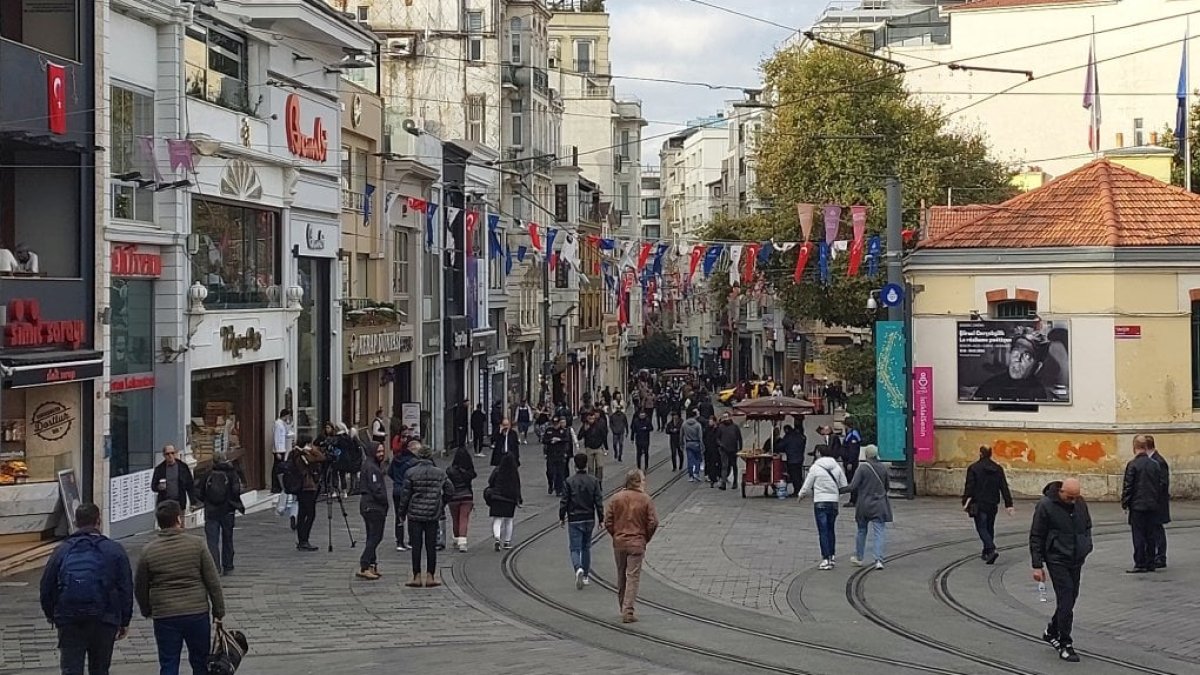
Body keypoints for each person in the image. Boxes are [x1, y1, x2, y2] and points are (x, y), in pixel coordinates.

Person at [40, 503, 133, 675]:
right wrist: (124, 620)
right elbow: (125, 588)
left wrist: (52, 615)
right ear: (99, 521)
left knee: (71, 669)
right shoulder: (114, 550)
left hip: (69, 618)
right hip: (104, 618)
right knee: (99, 668)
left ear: (76, 523)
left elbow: (46, 586)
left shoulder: (62, 550)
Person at [134, 500, 225, 675]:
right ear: (178, 519)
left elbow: (140, 586)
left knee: (168, 662)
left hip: (165, 614)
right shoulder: (197, 544)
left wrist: (147, 610)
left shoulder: (148, 551)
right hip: (196, 612)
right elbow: (212, 581)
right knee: (200, 661)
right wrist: (218, 611)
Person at [1030, 478, 1092, 663]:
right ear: (1061, 492)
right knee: (1065, 599)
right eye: (1070, 497)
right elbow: (1036, 535)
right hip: (1056, 558)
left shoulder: (1080, 503)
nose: (1073, 501)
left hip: (1076, 557)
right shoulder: (1045, 506)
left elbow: (1086, 525)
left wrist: (1086, 544)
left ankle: (1051, 630)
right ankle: (1065, 643)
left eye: (1076, 497)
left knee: (1071, 597)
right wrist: (1037, 565)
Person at [604, 469, 659, 623]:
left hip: (620, 542)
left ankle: (623, 606)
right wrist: (645, 537)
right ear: (637, 482)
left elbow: (608, 521)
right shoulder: (645, 499)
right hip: (637, 542)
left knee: (621, 575)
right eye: (643, 479)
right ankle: (628, 611)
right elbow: (653, 522)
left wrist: (616, 535)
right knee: (633, 577)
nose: (644, 482)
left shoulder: (616, 498)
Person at [395, 444, 454, 588]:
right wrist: (441, 503)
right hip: (433, 513)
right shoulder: (439, 473)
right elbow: (450, 490)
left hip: (415, 514)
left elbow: (405, 495)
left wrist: (401, 513)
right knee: (430, 546)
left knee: (416, 546)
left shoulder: (411, 473)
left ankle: (416, 576)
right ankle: (430, 576)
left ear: (418, 456)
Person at [796, 445, 848, 570]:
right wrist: (836, 494)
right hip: (833, 502)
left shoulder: (815, 468)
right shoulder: (837, 467)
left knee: (823, 531)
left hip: (820, 501)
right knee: (831, 529)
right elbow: (844, 485)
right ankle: (832, 555)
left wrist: (801, 495)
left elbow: (807, 485)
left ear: (818, 453)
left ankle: (826, 558)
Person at [841, 445, 892, 570]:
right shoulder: (883, 468)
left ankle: (859, 557)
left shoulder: (862, 468)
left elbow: (853, 486)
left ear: (866, 455)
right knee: (879, 532)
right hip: (879, 504)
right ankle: (878, 560)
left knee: (861, 531)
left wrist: (839, 490)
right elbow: (887, 487)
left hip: (864, 504)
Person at [962, 445, 1015, 564]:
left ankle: (990, 549)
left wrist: (965, 502)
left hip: (978, 503)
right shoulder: (997, 468)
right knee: (989, 527)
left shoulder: (974, 468)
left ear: (980, 453)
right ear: (991, 454)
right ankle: (986, 552)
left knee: (981, 527)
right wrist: (1008, 504)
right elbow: (1004, 487)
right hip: (992, 503)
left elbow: (969, 487)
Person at [560, 453, 605, 590]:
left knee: (574, 548)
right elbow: (598, 501)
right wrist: (601, 518)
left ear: (574, 465)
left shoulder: (569, 481)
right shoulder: (594, 481)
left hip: (574, 518)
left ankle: (578, 568)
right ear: (586, 464)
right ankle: (585, 576)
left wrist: (562, 516)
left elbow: (564, 501)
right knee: (586, 547)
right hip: (589, 517)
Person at [1121, 435, 1164, 574]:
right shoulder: (1155, 464)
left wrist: (1125, 503)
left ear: (1134, 447)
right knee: (1150, 535)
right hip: (1152, 505)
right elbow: (1160, 485)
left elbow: (1128, 486)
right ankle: (1151, 562)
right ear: (1146, 447)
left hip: (1137, 506)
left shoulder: (1132, 465)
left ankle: (1140, 562)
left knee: (1138, 534)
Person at [197, 451, 244, 576]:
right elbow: (236, 491)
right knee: (227, 538)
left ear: (214, 461)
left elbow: (199, 493)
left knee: (212, 541)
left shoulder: (207, 474)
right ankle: (228, 565)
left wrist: (208, 501)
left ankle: (215, 567)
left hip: (211, 512)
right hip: (227, 511)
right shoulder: (232, 473)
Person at [972, 330, 1053, 402]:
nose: (1017, 359)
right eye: (1015, 351)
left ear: (1038, 367)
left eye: (1026, 355)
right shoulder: (990, 386)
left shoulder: (1039, 393)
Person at [356, 441, 389, 580]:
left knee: (372, 536)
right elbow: (376, 489)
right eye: (378, 451)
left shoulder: (372, 465)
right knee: (376, 536)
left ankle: (372, 564)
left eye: (382, 451)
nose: (381, 454)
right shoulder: (372, 468)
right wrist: (384, 502)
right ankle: (365, 564)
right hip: (373, 506)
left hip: (368, 505)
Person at [289, 439, 325, 552]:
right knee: (310, 514)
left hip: (301, 487)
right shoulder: (301, 455)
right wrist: (310, 451)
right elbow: (321, 458)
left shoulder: (294, 454)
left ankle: (302, 540)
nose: (311, 446)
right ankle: (304, 540)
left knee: (302, 513)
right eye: (309, 444)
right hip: (306, 487)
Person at [487, 453, 523, 550]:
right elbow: (517, 486)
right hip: (510, 499)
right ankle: (507, 542)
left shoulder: (497, 470)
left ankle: (497, 538)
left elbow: (490, 482)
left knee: (497, 520)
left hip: (497, 498)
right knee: (509, 520)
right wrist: (519, 499)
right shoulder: (514, 472)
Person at [388, 438, 418, 552]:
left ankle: (399, 542)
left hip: (397, 490)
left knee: (399, 516)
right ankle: (411, 541)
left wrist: (397, 480)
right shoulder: (413, 461)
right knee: (411, 515)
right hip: (408, 491)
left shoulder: (396, 459)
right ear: (412, 449)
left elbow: (389, 472)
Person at [1145, 435, 1170, 569]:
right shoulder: (1154, 460)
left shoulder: (1159, 461)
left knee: (1157, 529)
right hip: (1154, 502)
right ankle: (1155, 555)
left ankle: (1160, 556)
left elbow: (1163, 483)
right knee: (1154, 529)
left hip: (1158, 503)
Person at [446, 446, 477, 552]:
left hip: (453, 497)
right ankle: (463, 542)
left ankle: (456, 539)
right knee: (464, 519)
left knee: (455, 519)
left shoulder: (450, 470)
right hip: (467, 496)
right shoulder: (469, 470)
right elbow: (472, 476)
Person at [150, 445, 194, 511]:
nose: (170, 456)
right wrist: (159, 487)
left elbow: (190, 485)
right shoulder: (159, 469)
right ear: (164, 455)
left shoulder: (183, 467)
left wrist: (193, 502)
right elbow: (153, 486)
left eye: (172, 453)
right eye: (167, 454)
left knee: (179, 521)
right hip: (164, 504)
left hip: (179, 503)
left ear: (175, 453)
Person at [543, 417, 571, 495]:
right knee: (550, 472)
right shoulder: (549, 430)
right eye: (554, 424)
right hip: (551, 454)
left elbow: (567, 440)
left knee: (560, 473)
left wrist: (559, 440)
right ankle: (550, 484)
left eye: (557, 424)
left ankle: (559, 490)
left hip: (560, 454)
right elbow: (544, 440)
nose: (555, 425)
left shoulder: (563, 431)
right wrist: (550, 440)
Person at [777, 424, 807, 495]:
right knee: (798, 474)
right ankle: (800, 488)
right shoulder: (799, 436)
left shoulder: (788, 437)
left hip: (792, 459)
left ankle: (797, 490)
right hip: (800, 458)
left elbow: (781, 446)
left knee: (794, 475)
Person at [715, 413, 742, 491]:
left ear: (730, 417)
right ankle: (723, 482)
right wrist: (720, 444)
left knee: (734, 465)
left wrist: (740, 448)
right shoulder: (721, 427)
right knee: (724, 466)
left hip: (733, 449)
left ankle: (735, 482)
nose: (726, 419)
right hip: (724, 450)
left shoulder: (735, 427)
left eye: (727, 417)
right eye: (724, 417)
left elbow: (739, 438)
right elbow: (717, 438)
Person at [581, 410, 608, 482]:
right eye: (590, 419)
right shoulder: (585, 425)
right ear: (587, 418)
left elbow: (604, 436)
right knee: (590, 467)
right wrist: (584, 430)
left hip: (598, 447)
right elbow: (579, 437)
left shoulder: (599, 425)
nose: (591, 420)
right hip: (589, 448)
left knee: (599, 466)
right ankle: (591, 482)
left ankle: (599, 482)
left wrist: (606, 447)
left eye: (593, 418)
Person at [272, 408, 294, 494]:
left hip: (282, 448)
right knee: (277, 467)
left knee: (279, 467)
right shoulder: (278, 424)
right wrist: (277, 451)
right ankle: (275, 486)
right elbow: (276, 438)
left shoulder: (282, 424)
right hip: (279, 449)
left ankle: (278, 486)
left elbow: (286, 433)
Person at [842, 418, 862, 507]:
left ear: (847, 425)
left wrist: (850, 462)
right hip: (849, 461)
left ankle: (854, 500)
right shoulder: (850, 434)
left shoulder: (853, 435)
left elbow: (853, 450)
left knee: (852, 481)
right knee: (851, 480)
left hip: (851, 462)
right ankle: (854, 499)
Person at [681, 409, 705, 482]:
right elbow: (700, 436)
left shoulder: (684, 424)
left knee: (690, 460)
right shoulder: (698, 425)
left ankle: (690, 476)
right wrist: (702, 445)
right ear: (695, 415)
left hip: (688, 443)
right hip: (696, 443)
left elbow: (681, 435)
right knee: (698, 459)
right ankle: (696, 473)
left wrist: (681, 444)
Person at [703, 415, 721, 486]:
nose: (709, 422)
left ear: (714, 422)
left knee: (714, 464)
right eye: (709, 421)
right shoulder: (707, 429)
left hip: (715, 450)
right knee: (709, 463)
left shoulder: (718, 429)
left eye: (711, 421)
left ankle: (714, 478)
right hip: (708, 450)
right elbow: (704, 438)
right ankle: (711, 477)